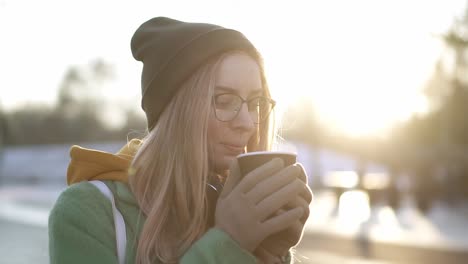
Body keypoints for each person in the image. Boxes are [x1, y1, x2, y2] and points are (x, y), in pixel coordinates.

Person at [49, 17, 313, 264]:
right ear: (179, 112)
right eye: (224, 101)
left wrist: (268, 254)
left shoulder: (241, 208)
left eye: (255, 103)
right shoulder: (90, 212)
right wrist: (229, 243)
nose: (246, 123)